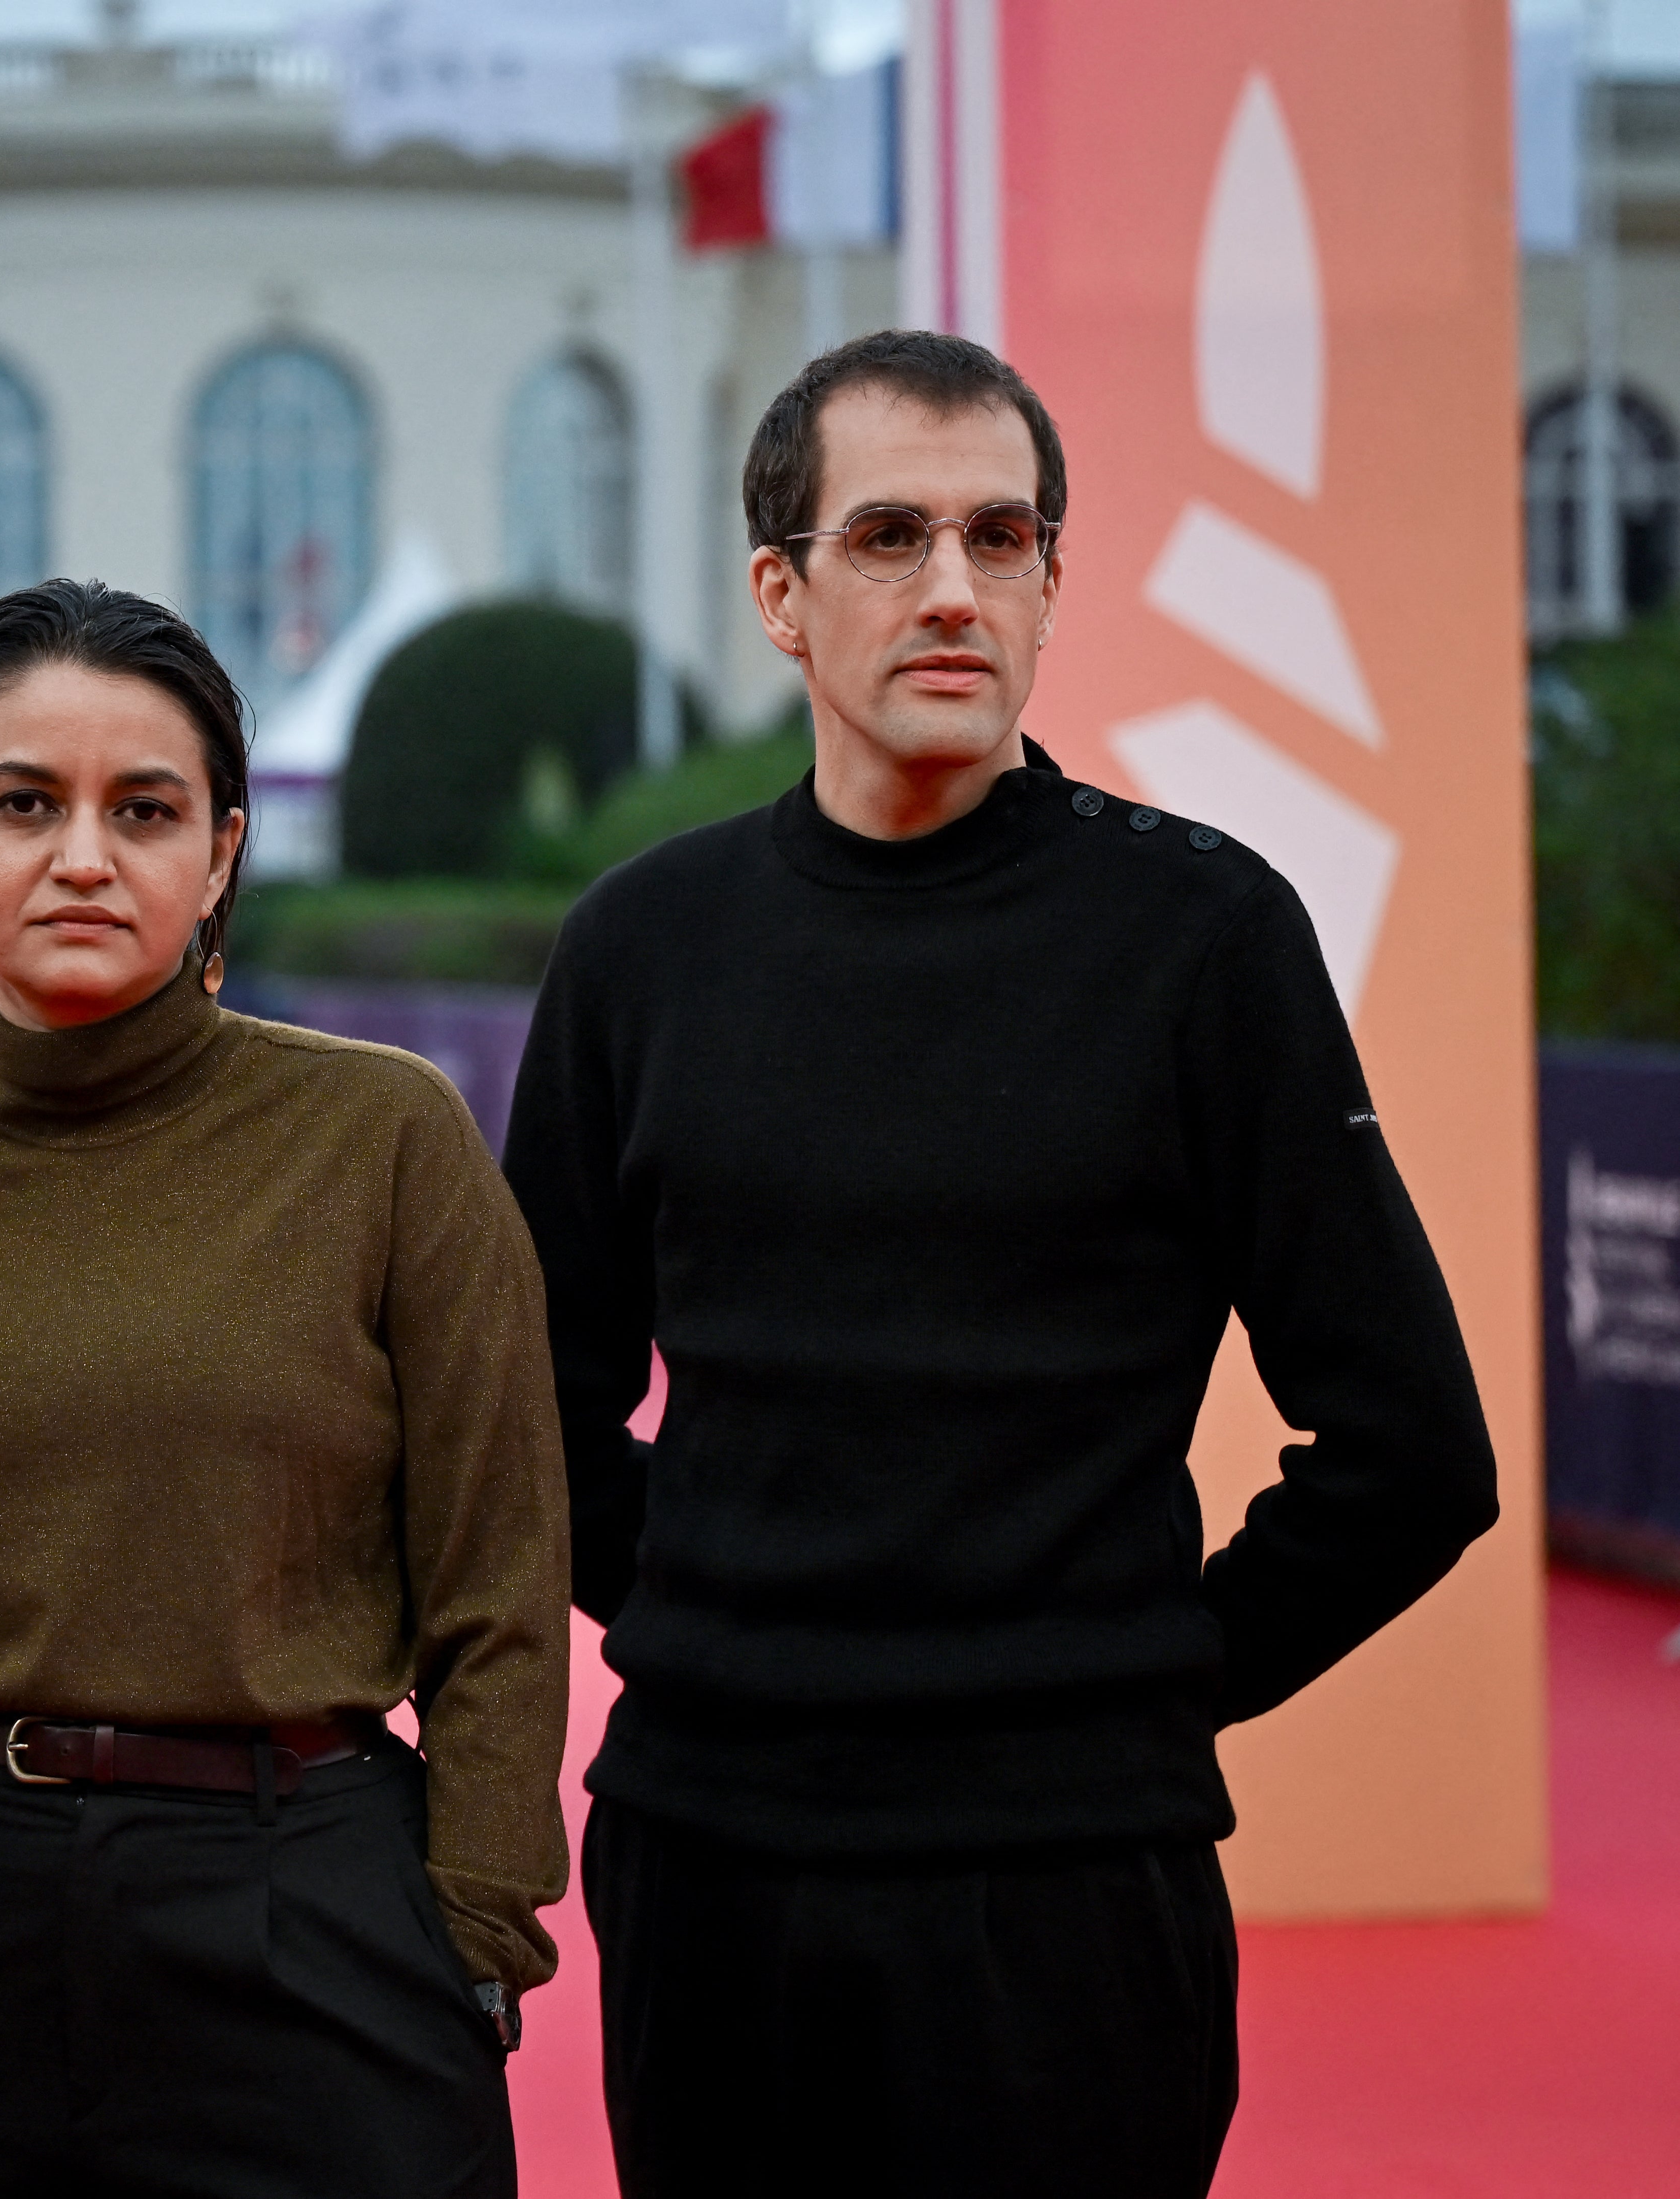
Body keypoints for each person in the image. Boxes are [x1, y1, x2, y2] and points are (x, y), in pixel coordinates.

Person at [501, 327, 1500, 2198]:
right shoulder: (641, 946)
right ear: (780, 599)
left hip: (1068, 1889)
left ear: (1053, 582)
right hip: (713, 1860)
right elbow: (523, 1409)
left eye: (1002, 537)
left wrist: (1139, 1681)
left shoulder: (1202, 934)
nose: (952, 588)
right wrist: (732, 1619)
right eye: (888, 537)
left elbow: (1415, 1454)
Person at [0, 579, 572, 2199]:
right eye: (24, 803)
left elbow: (500, 1586)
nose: (84, 856)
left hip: (306, 1916)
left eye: (147, 808)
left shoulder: (387, 1140)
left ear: (224, 853)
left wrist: (468, 1929)